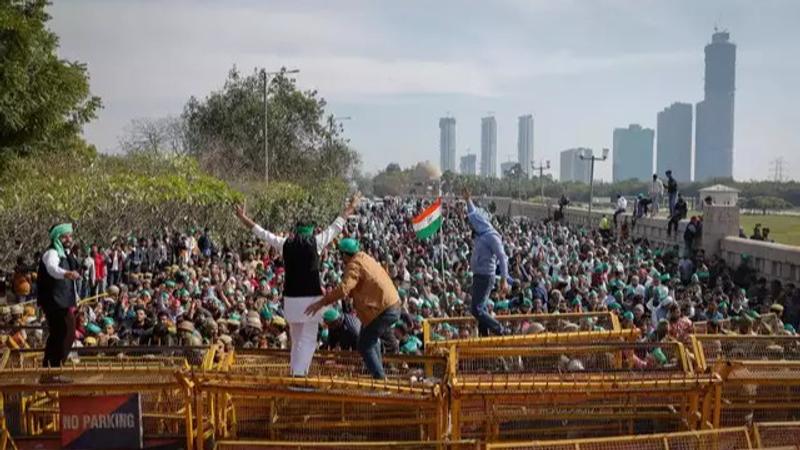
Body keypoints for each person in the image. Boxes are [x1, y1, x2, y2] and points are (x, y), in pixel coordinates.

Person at [234, 193, 360, 376]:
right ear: (311, 230)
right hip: (311, 301)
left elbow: (262, 233)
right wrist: (351, 206)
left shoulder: (285, 243)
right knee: (308, 341)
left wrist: (243, 218)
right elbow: (337, 225)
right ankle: (299, 379)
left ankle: (295, 374)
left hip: (291, 302)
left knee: (297, 341)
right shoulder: (316, 242)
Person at [305, 238, 401, 379]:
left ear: (345, 255)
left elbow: (344, 289)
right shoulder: (364, 258)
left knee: (364, 344)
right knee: (369, 339)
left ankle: (380, 379)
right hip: (388, 306)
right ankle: (379, 374)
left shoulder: (354, 264)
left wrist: (322, 302)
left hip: (383, 309)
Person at [37, 223, 81, 382]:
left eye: (70, 235)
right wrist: (66, 273)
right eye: (65, 236)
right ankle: (52, 372)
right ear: (57, 237)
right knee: (65, 333)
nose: (69, 239)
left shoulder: (66, 254)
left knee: (60, 334)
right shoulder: (52, 253)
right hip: (54, 301)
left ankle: (50, 371)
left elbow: (71, 282)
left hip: (62, 301)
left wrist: (76, 296)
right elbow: (52, 269)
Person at [464, 189, 510, 336]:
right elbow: (473, 214)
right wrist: (467, 200)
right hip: (478, 275)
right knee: (480, 310)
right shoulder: (481, 233)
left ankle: (500, 329)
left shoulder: (492, 236)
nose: (472, 225)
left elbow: (502, 257)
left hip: (486, 276)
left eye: (474, 223)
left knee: (476, 309)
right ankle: (484, 335)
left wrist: (504, 278)